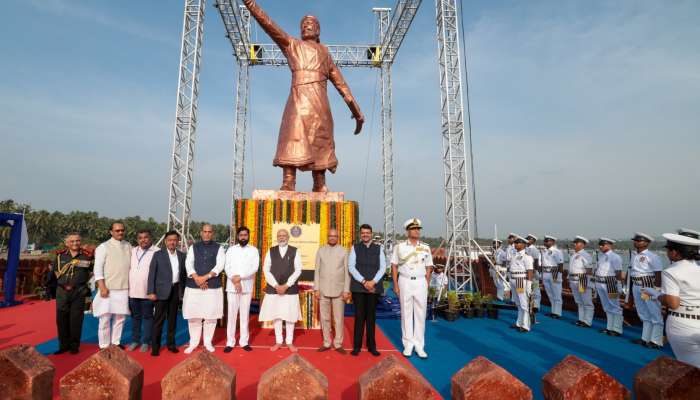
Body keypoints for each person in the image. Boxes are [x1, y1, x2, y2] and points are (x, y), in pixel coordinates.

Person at [241, 0, 365, 192]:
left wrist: (356, 111)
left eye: (311, 24)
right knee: (292, 137)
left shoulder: (326, 54)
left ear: (318, 31)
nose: (306, 26)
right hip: (298, 101)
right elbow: (269, 25)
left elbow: (342, 85)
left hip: (320, 104)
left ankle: (319, 182)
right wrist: (250, 4)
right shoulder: (292, 45)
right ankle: (289, 180)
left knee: (321, 141)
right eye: (303, 25)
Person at [642, 233, 700, 367]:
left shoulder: (671, 271)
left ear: (674, 253)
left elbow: (673, 303)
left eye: (668, 250)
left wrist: (655, 294)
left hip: (683, 322)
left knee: (689, 368)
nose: (667, 253)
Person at [391, 218, 434, 359]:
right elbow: (394, 265)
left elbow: (429, 266)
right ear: (408, 231)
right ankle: (408, 344)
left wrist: (426, 282)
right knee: (406, 312)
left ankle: (419, 345)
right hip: (405, 281)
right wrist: (396, 285)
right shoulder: (400, 247)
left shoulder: (426, 247)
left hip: (420, 282)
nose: (417, 231)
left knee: (421, 313)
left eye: (418, 229)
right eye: (414, 229)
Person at [183, 224, 226, 354]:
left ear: (212, 233)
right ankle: (194, 343)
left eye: (209, 232)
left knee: (210, 316)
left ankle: (208, 342)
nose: (207, 234)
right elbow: (188, 263)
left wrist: (205, 278)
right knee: (193, 316)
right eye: (205, 231)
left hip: (212, 286)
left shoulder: (219, 248)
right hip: (194, 285)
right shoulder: (193, 247)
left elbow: (220, 265)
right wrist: (197, 278)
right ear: (201, 233)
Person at [259, 229, 303, 352]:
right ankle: (278, 341)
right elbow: (266, 269)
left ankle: (289, 342)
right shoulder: (271, 251)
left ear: (288, 237)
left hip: (290, 289)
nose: (282, 237)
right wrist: (276, 285)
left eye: (284, 236)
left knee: (290, 316)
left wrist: (286, 285)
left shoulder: (295, 251)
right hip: (274, 289)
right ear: (276, 237)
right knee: (277, 315)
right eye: (279, 235)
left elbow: (298, 270)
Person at [92, 222, 132, 349]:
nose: (120, 232)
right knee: (104, 319)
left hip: (124, 288)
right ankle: (103, 345)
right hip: (108, 288)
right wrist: (102, 286)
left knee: (120, 318)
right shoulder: (103, 247)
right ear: (111, 232)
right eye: (117, 230)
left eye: (122, 230)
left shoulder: (128, 245)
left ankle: (115, 342)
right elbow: (97, 268)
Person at [147, 230, 185, 356]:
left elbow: (183, 275)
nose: (172, 242)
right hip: (161, 292)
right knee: (158, 320)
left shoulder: (181, 255)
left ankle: (171, 344)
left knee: (172, 320)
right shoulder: (158, 255)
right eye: (170, 240)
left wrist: (183, 292)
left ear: (178, 241)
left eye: (175, 240)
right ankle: (155, 347)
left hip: (175, 290)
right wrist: (151, 291)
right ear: (165, 241)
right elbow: (152, 274)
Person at [348, 224, 384, 356]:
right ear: (360, 234)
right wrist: (364, 281)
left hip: (373, 287)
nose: (365, 235)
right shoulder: (355, 248)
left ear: (371, 234)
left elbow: (383, 267)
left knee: (371, 317)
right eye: (363, 233)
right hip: (359, 287)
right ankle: (357, 346)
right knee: (359, 317)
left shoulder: (379, 248)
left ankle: (371, 346)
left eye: (367, 233)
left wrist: (373, 282)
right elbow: (351, 267)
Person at [54, 233, 93, 354]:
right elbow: (56, 271)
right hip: (62, 291)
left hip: (79, 291)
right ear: (67, 243)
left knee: (76, 319)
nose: (75, 243)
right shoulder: (60, 256)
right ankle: (63, 345)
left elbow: (92, 272)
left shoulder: (87, 256)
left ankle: (74, 346)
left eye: (77, 241)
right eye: (72, 241)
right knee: (61, 319)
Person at [314, 228, 350, 354]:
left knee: (338, 318)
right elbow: (317, 271)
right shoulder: (321, 250)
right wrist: (316, 288)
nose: (332, 238)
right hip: (323, 290)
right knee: (324, 318)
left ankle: (338, 343)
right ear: (327, 237)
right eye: (330, 236)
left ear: (338, 237)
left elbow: (347, 272)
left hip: (339, 290)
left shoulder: (344, 251)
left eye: (335, 236)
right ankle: (326, 342)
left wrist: (346, 290)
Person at [223, 226, 259, 353]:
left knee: (244, 315)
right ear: (237, 237)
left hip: (247, 286)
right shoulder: (231, 250)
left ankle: (244, 341)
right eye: (241, 235)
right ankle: (230, 342)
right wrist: (234, 279)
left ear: (248, 236)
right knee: (232, 315)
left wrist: (240, 277)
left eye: (245, 235)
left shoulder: (253, 250)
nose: (243, 237)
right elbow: (226, 266)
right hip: (232, 286)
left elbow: (254, 267)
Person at [629, 232, 664, 349]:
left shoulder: (652, 256)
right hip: (637, 285)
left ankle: (656, 341)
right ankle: (645, 338)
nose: (636, 242)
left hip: (647, 285)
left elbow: (658, 273)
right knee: (643, 312)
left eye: (639, 241)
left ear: (647, 243)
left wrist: (657, 290)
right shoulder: (634, 255)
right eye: (635, 240)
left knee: (653, 311)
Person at [127, 229, 158, 352]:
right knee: (135, 318)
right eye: (140, 238)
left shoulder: (157, 252)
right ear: (137, 239)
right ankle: (135, 340)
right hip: (133, 292)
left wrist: (155, 291)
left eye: (145, 237)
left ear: (150, 238)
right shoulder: (132, 251)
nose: (143, 240)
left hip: (148, 293)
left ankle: (146, 341)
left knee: (148, 318)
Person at [594, 238, 624, 336]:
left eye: (603, 244)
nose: (600, 246)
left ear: (609, 245)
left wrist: (619, 285)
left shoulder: (615, 257)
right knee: (606, 306)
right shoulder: (601, 256)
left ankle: (617, 329)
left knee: (615, 306)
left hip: (611, 282)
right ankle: (609, 327)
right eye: (600, 244)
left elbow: (618, 272)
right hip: (600, 282)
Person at [508, 235, 534, 332]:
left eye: (517, 243)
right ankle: (519, 322)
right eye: (515, 242)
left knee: (523, 304)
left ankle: (525, 325)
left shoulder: (526, 257)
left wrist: (529, 284)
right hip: (514, 279)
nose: (515, 244)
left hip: (520, 280)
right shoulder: (514, 255)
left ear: (523, 244)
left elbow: (530, 271)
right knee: (518, 303)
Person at [568, 236, 594, 328]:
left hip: (582, 279)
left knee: (586, 302)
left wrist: (587, 283)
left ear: (583, 244)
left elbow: (589, 270)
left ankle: (587, 321)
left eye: (577, 243)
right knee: (579, 301)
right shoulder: (574, 255)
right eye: (574, 243)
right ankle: (581, 319)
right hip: (573, 280)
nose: (575, 244)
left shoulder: (586, 255)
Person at [541, 235, 564, 319]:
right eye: (545, 241)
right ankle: (553, 311)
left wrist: (559, 276)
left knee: (557, 294)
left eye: (548, 241)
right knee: (550, 293)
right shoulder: (544, 251)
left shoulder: (557, 251)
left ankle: (557, 313)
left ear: (553, 242)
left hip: (554, 272)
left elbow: (560, 265)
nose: (546, 242)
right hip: (546, 272)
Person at [525, 235, 542, 312]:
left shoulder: (534, 249)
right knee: (527, 288)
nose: (527, 240)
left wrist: (535, 272)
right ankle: (529, 304)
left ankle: (536, 305)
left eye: (529, 239)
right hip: (527, 272)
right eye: (527, 239)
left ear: (533, 241)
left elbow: (536, 262)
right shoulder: (525, 248)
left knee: (535, 289)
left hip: (533, 272)